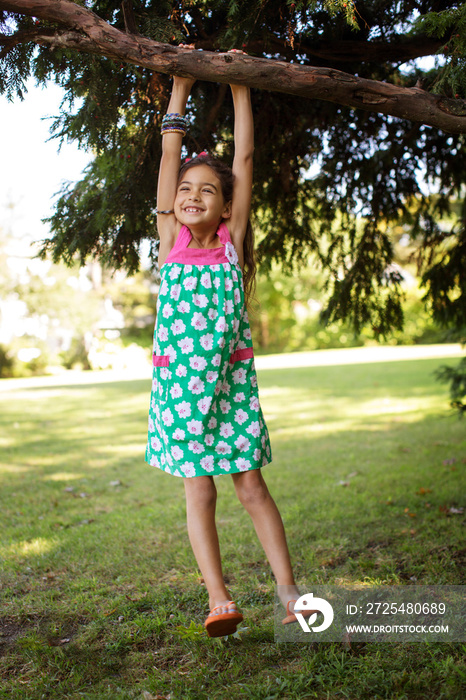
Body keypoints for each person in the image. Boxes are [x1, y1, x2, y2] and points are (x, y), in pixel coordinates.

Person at [146, 59, 315, 637]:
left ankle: (290, 595)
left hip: (231, 385)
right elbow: (170, 157)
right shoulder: (169, 240)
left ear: (225, 205)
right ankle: (219, 599)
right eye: (187, 190)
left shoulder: (230, 244)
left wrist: (241, 89)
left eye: (207, 190)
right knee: (199, 490)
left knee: (250, 485)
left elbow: (243, 159)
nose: (193, 195)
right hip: (178, 390)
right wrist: (180, 87)